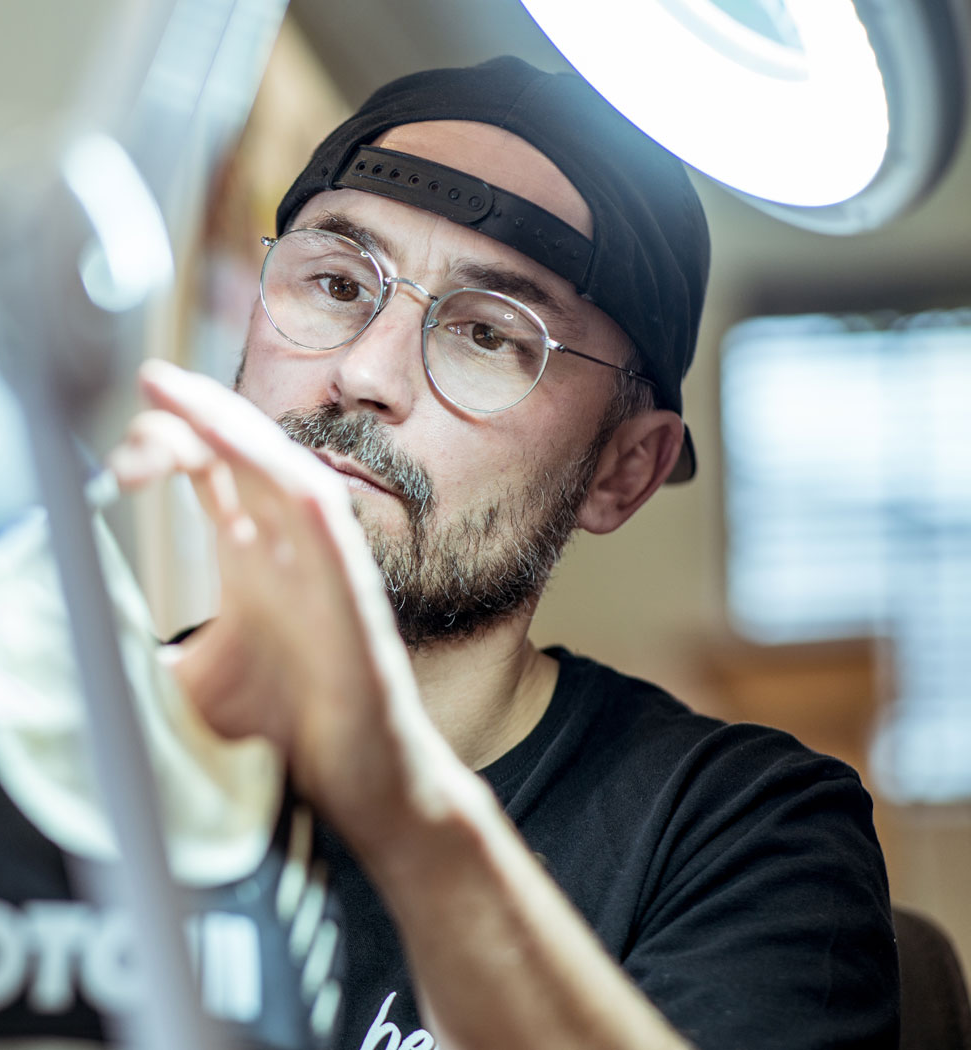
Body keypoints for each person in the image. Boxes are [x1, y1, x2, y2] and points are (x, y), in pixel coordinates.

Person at [109, 56, 898, 1050]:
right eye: (337, 283)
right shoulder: (61, 744)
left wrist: (398, 806)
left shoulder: (740, 833)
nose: (365, 372)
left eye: (487, 335)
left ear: (622, 471)